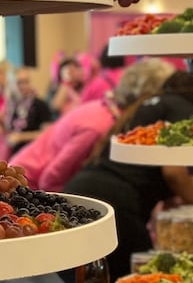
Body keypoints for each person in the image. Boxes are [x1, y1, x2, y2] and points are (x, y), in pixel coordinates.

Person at [64, 70, 193, 281]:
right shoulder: (183, 108)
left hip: (80, 190)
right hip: (115, 204)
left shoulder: (147, 106)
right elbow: (175, 172)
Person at [10, 58, 174, 192]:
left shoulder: (104, 108)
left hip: (26, 179)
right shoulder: (100, 126)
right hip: (23, 185)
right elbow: (51, 179)